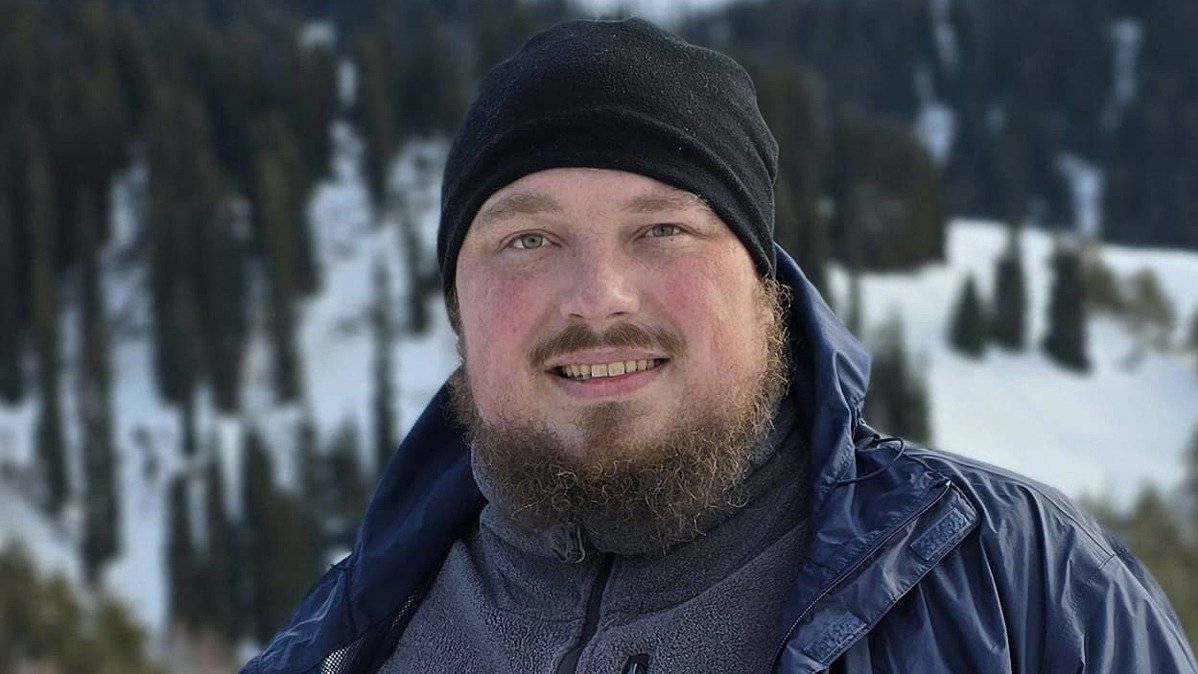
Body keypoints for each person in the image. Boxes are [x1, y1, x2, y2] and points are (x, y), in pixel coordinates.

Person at [241, 18, 1197, 674]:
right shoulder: (330, 646)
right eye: (527, 240)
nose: (597, 298)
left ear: (766, 292)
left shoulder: (1018, 587)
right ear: (459, 307)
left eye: (663, 229)